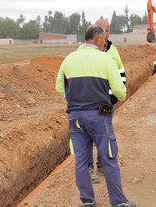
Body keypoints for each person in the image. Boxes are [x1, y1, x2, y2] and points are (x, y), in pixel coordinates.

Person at [55, 25, 135, 207]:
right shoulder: (105, 59)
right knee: (109, 158)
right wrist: (111, 95)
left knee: (81, 161)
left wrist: (77, 98)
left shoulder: (69, 59)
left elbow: (59, 88)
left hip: (75, 117)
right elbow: (119, 91)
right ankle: (118, 202)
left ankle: (87, 201)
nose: (104, 43)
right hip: (98, 116)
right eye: (104, 40)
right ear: (98, 39)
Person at [79, 19, 127, 183]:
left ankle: (100, 166)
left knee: (104, 135)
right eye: (101, 30)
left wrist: (113, 97)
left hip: (106, 102)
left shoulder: (113, 52)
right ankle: (89, 168)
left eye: (106, 30)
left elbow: (121, 74)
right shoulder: (81, 52)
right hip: (87, 102)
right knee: (86, 138)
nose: (104, 34)